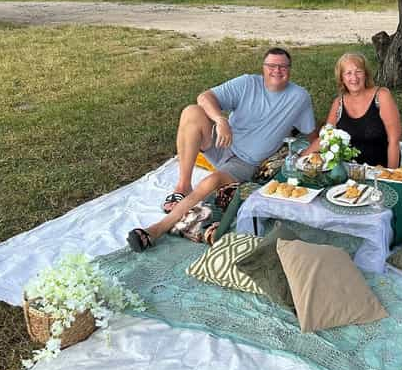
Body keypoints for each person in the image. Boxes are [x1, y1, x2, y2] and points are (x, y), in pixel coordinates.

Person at [127, 47, 317, 252]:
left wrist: (312, 154)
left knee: (211, 181)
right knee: (192, 111)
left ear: (290, 69)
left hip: (245, 163)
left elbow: (311, 134)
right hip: (223, 142)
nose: (277, 70)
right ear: (263, 68)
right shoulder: (247, 83)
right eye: (271, 65)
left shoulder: (299, 98)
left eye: (283, 66)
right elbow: (204, 97)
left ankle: (154, 230)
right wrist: (220, 120)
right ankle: (183, 186)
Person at [303, 52, 401, 168]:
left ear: (366, 74)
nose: (354, 78)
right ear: (342, 78)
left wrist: (391, 176)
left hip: (378, 170)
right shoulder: (338, 103)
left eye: (358, 71)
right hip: (348, 169)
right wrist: (300, 159)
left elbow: (394, 141)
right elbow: (325, 138)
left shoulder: (381, 96)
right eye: (348, 73)